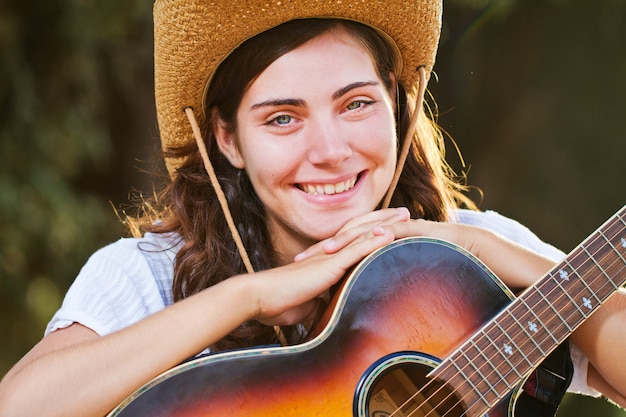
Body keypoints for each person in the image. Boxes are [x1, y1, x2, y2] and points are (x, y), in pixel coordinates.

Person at [0, 0, 625, 416]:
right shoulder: (152, 272)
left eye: (356, 104)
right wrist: (248, 296)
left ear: (397, 104)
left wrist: (487, 253)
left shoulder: (476, 253)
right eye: (282, 117)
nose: (330, 151)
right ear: (227, 139)